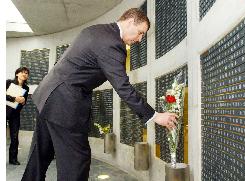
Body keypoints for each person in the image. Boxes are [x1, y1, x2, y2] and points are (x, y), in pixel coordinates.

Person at [22, 8, 177, 181]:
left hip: (47, 96)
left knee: (38, 157)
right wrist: (154, 116)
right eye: (140, 33)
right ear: (130, 21)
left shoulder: (95, 30)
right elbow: (123, 87)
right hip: (64, 104)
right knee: (76, 163)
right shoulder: (113, 44)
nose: (140, 39)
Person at [6, 67, 30, 165]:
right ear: (17, 74)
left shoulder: (26, 88)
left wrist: (24, 101)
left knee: (15, 137)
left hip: (15, 114)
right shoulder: (8, 83)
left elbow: (24, 101)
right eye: (22, 72)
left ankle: (13, 159)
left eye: (26, 73)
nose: (24, 74)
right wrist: (14, 98)